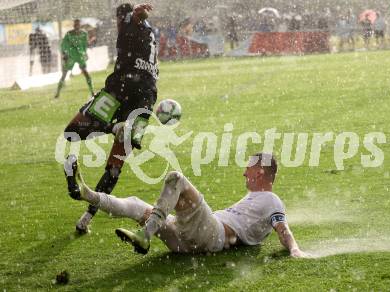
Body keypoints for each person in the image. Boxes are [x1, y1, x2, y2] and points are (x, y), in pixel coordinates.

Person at [64, 152, 310, 257]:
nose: (244, 173)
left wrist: (294, 249)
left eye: (248, 168)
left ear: (259, 172)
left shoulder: (272, 200)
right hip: (188, 243)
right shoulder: (257, 199)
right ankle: (89, 195)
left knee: (176, 179)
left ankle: (145, 234)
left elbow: (283, 228)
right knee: (140, 205)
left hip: (213, 234)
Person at [63, 3, 158, 234]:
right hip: (145, 99)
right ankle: (86, 218)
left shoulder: (129, 23)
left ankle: (108, 130)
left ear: (119, 18)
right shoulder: (149, 31)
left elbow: (133, 17)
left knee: (73, 131)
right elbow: (138, 21)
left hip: (121, 87)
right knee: (115, 167)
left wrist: (136, 12)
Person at [54, 19, 94, 99]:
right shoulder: (69, 34)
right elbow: (63, 45)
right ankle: (58, 92)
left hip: (79, 56)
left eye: (78, 24)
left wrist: (85, 53)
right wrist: (64, 54)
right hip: (71, 56)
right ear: (73, 25)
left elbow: (85, 45)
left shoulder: (84, 34)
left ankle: (92, 92)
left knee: (86, 74)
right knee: (64, 74)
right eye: (75, 24)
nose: (76, 26)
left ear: (80, 25)